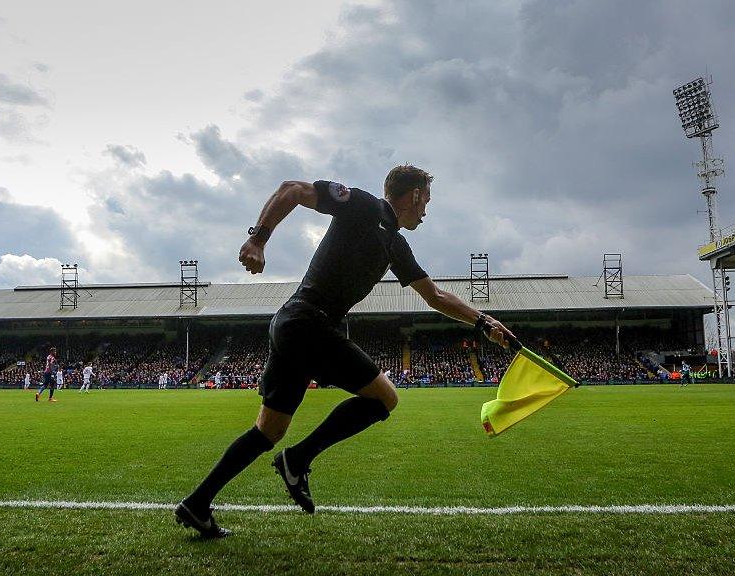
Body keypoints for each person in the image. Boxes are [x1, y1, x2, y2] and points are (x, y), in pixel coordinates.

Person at [175, 166, 514, 538]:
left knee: (267, 431)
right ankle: (297, 459)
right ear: (414, 195)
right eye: (426, 201)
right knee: (384, 398)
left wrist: (483, 322)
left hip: (294, 326)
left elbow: (435, 297)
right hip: (308, 323)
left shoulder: (396, 246)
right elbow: (291, 189)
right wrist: (258, 240)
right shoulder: (364, 206)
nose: (426, 211)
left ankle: (197, 503)